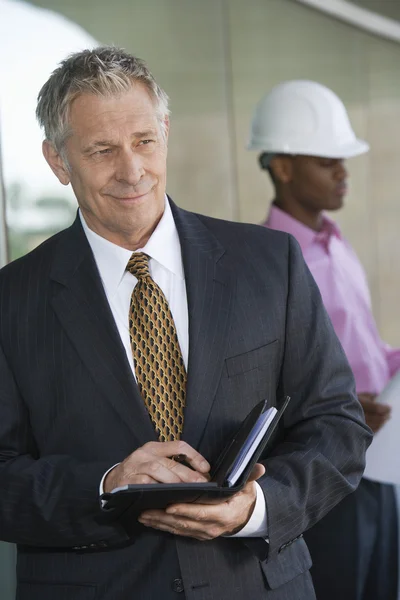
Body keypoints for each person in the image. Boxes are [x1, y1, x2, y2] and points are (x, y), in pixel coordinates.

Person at [0, 50, 371, 600]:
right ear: (58, 161)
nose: (132, 170)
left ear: (166, 132)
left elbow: (338, 425)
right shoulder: (11, 301)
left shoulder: (271, 264)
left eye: (144, 141)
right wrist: (107, 486)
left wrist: (257, 508)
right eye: (102, 150)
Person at [248, 79, 400, 600]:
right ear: (284, 166)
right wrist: (341, 405)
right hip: (327, 471)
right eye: (326, 160)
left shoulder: (338, 245)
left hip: (378, 468)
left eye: (344, 160)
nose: (343, 172)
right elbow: (263, 382)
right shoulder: (268, 261)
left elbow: (367, 351)